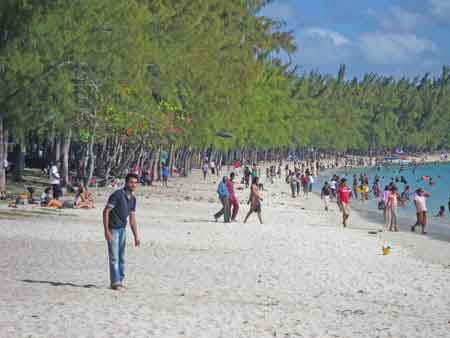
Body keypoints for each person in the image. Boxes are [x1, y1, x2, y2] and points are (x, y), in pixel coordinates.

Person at [103, 173, 140, 290]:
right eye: (131, 182)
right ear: (126, 182)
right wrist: (106, 231)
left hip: (122, 230)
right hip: (113, 229)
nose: (133, 185)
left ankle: (120, 280)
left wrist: (136, 236)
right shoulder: (117, 195)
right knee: (114, 257)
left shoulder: (133, 199)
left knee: (121, 257)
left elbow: (132, 218)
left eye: (135, 183)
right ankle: (115, 283)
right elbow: (106, 211)